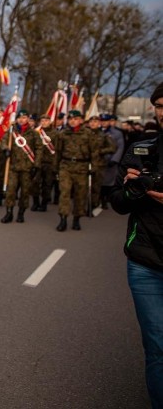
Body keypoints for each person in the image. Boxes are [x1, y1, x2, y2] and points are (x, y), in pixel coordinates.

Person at [109, 82, 163, 408]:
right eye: (159, 106)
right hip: (145, 261)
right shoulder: (142, 149)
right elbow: (118, 200)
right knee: (157, 345)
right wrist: (135, 190)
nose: (162, 112)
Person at [54, 109, 96, 231]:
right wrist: (55, 167)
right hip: (66, 166)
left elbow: (94, 152)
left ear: (81, 120)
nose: (73, 121)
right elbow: (58, 152)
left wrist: (94, 167)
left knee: (80, 194)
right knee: (64, 193)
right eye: (71, 119)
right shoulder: (62, 134)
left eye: (76, 119)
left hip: (82, 167)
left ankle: (77, 218)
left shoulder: (88, 134)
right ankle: (63, 219)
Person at [0, 109, 39, 224]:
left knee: (25, 192)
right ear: (17, 119)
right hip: (13, 166)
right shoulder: (12, 131)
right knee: (11, 191)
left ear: (28, 119)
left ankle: (21, 213)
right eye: (20, 118)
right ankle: (9, 213)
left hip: (27, 168)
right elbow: (4, 141)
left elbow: (39, 149)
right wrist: (5, 149)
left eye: (24, 118)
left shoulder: (33, 133)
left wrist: (36, 165)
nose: (22, 120)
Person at [86, 114, 116, 211]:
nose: (93, 123)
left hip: (99, 164)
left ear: (99, 123)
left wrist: (101, 151)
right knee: (83, 187)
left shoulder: (103, 135)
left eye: (95, 122)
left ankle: (93, 205)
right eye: (91, 122)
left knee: (96, 186)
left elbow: (112, 148)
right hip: (85, 164)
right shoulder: (84, 134)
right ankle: (83, 205)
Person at [31, 113, 57, 212]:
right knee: (35, 183)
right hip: (38, 161)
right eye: (42, 121)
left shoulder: (55, 133)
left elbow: (57, 149)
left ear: (50, 122)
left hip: (49, 162)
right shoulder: (36, 132)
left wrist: (55, 164)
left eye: (46, 120)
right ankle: (36, 202)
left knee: (47, 184)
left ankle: (44, 203)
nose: (44, 122)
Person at [100, 113, 126, 209]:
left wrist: (115, 160)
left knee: (108, 182)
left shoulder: (117, 133)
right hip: (98, 161)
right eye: (102, 121)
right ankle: (99, 199)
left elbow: (120, 147)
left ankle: (105, 199)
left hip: (110, 161)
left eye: (106, 121)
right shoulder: (96, 132)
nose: (103, 123)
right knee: (98, 182)